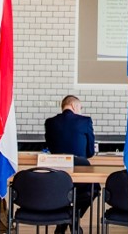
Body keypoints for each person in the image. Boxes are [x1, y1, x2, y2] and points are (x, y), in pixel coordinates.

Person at [42, 95, 96, 234]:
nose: (80, 111)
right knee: (94, 189)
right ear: (74, 106)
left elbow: (51, 148)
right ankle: (74, 218)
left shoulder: (50, 122)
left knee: (63, 192)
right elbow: (90, 152)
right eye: (80, 107)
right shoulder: (85, 121)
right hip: (80, 174)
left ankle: (65, 220)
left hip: (57, 176)